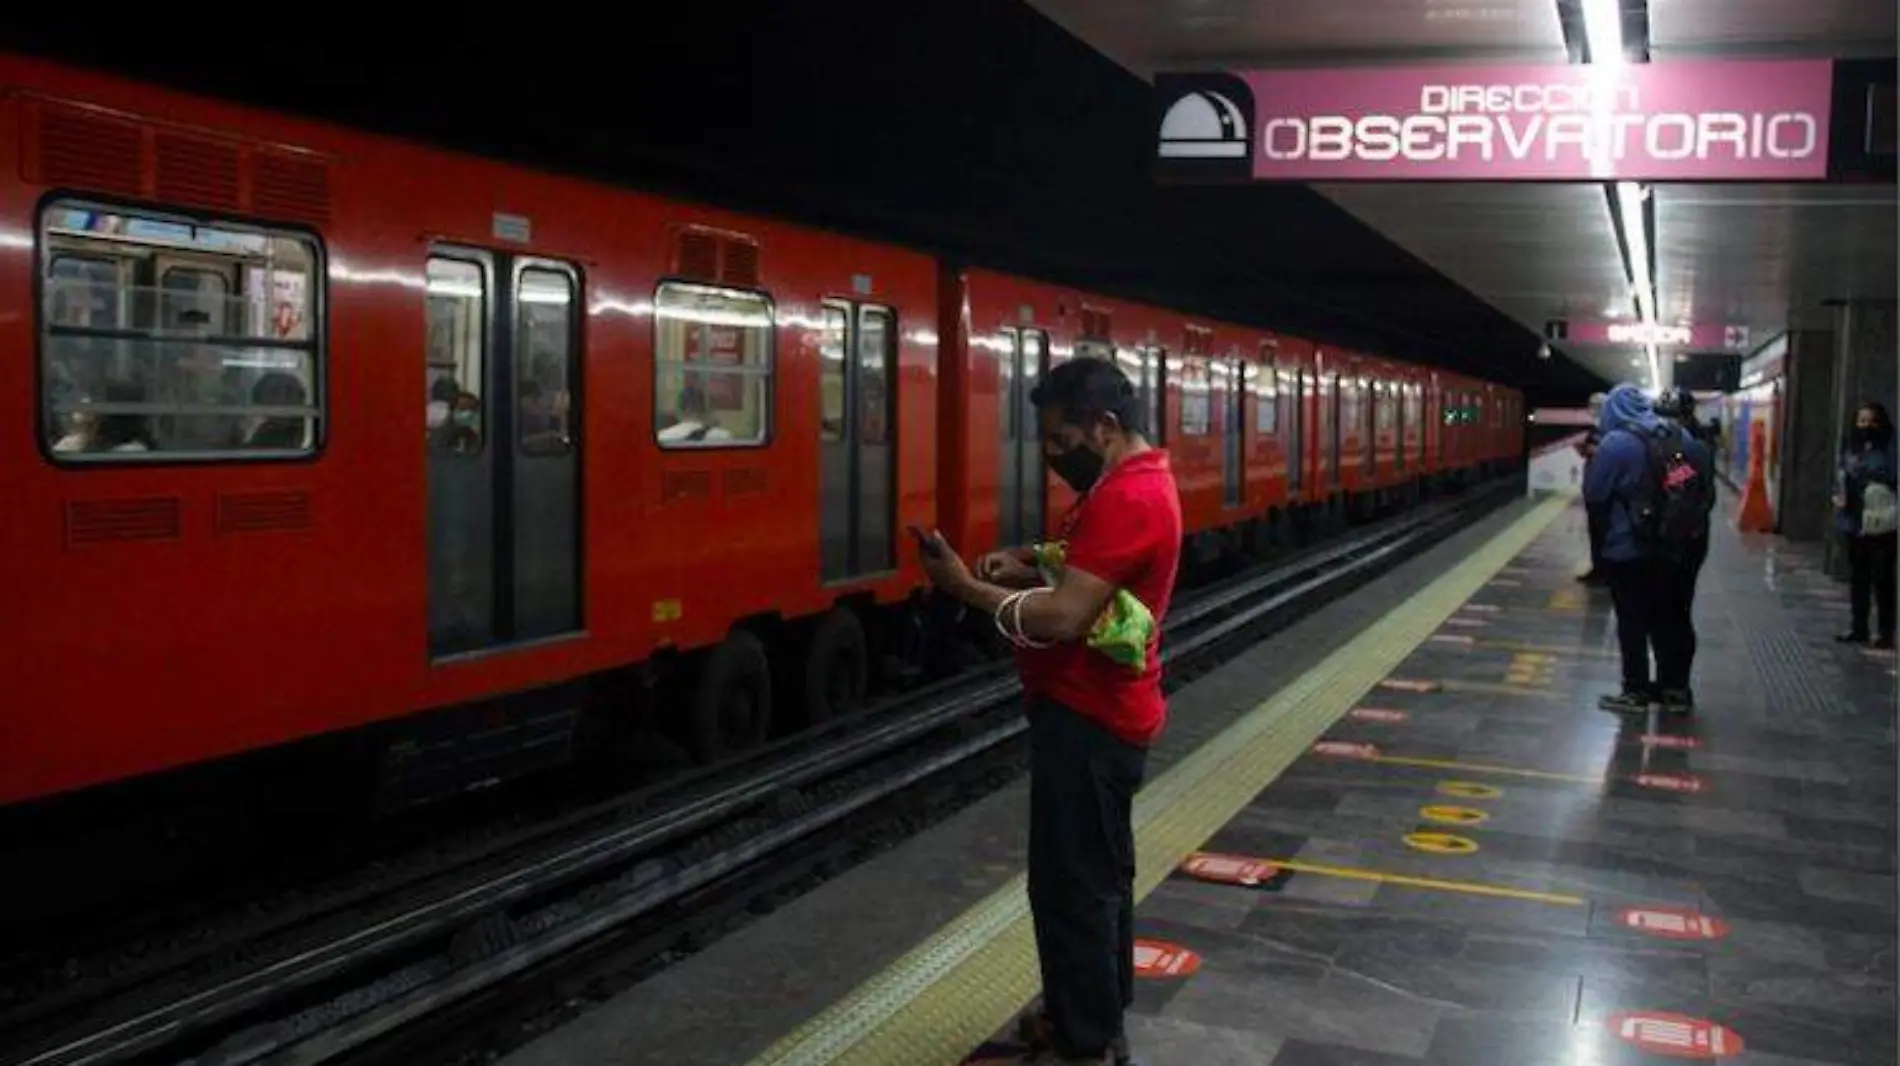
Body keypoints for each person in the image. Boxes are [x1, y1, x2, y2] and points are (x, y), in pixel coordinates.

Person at [917, 356, 1181, 1066]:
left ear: (1105, 425)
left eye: (1063, 442)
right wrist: (1032, 557)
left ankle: (1084, 1039)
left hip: (1090, 715)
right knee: (1101, 874)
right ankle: (1098, 1012)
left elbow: (1066, 618)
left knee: (1071, 885)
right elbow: (1091, 566)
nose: (1056, 457)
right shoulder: (1136, 479)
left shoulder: (1130, 496)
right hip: (1104, 709)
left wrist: (965, 586)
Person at [1582, 383, 1715, 715]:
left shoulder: (1615, 443)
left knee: (1631, 618)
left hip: (1628, 546)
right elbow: (1696, 487)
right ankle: (1675, 689)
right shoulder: (1679, 438)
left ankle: (1635, 690)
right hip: (1673, 546)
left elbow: (1595, 494)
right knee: (1672, 616)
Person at [1833, 401, 1897, 649]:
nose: (1866, 426)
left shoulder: (1890, 447)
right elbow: (1841, 474)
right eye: (1861, 421)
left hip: (1882, 522)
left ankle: (1885, 631)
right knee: (1859, 578)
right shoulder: (1851, 448)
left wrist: (1865, 475)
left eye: (1872, 421)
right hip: (1853, 520)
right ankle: (1858, 627)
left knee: (1883, 579)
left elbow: (1892, 475)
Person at [1577, 392, 1608, 585]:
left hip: (1604, 489)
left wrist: (1594, 451)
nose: (1593, 409)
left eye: (1597, 405)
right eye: (1591, 405)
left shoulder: (1609, 429)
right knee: (1595, 532)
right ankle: (1597, 569)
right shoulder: (1595, 429)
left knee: (1603, 533)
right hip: (1593, 488)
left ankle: (1604, 572)